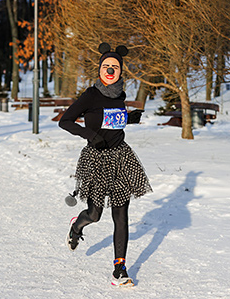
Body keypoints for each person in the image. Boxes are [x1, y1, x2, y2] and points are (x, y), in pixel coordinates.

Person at [59, 43, 152, 287]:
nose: (110, 70)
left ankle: (119, 269)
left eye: (115, 66)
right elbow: (65, 121)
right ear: (99, 69)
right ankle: (77, 226)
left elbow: (110, 121)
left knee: (121, 216)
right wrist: (89, 135)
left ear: (121, 71)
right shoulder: (91, 94)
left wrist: (127, 119)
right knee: (95, 214)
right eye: (106, 66)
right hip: (97, 160)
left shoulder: (120, 94)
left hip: (121, 158)